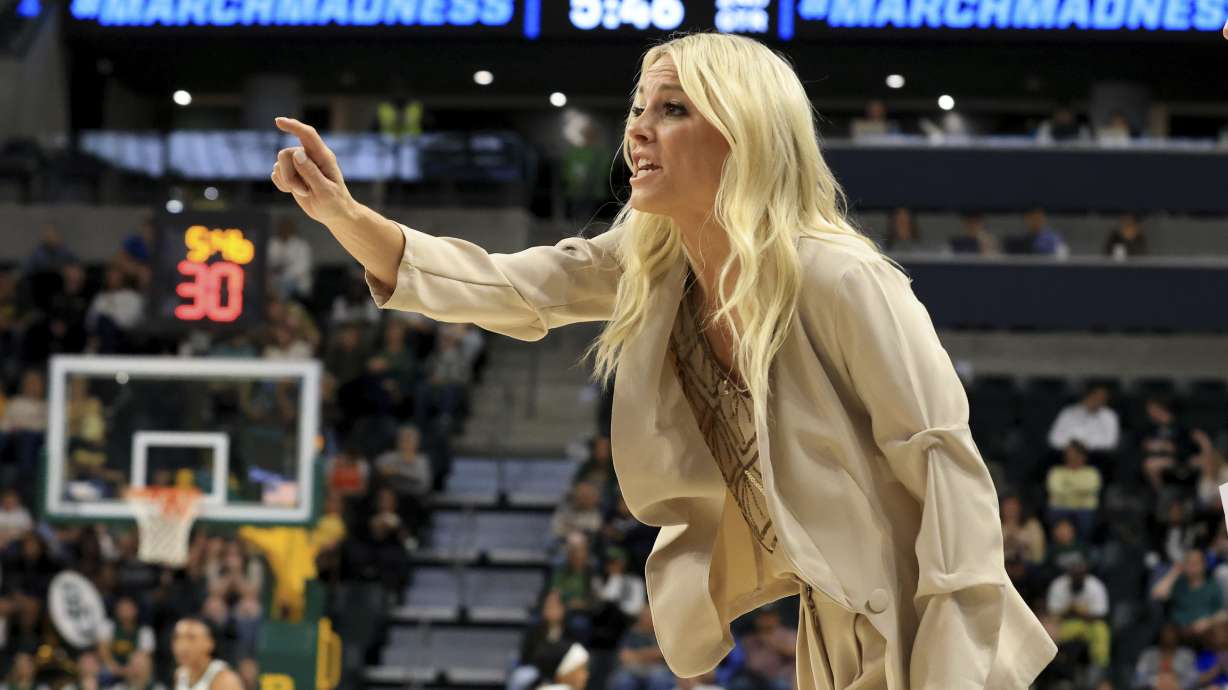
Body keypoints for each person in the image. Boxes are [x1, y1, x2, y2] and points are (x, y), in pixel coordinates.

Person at [271, 31, 1056, 689]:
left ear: (743, 132)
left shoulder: (840, 276)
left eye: (673, 110)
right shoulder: (656, 264)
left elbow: (943, 463)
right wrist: (344, 216)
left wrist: (955, 655)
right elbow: (507, 287)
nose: (638, 130)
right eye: (639, 109)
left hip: (933, 619)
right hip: (833, 613)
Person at [170, 617, 243, 690]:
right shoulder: (180, 674)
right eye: (177, 638)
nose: (182, 646)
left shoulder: (225, 680)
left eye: (191, 638)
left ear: (210, 643)